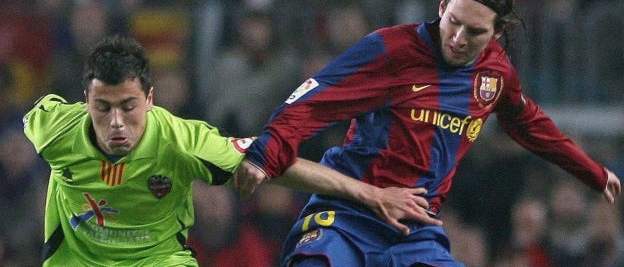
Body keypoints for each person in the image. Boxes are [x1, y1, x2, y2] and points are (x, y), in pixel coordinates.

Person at [233, 0, 622, 267]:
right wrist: (268, 149)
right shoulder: (391, 50)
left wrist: (591, 171)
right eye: (454, 21)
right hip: (348, 213)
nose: (457, 38)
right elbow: (314, 99)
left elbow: (529, 123)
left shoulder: (495, 74)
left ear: (498, 32)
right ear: (441, 6)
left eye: (475, 31)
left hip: (414, 232)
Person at [22, 35, 437, 267]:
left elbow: (276, 162)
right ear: (85, 102)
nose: (116, 122)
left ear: (150, 98)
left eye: (128, 107)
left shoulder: (182, 143)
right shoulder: (56, 129)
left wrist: (372, 194)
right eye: (102, 108)